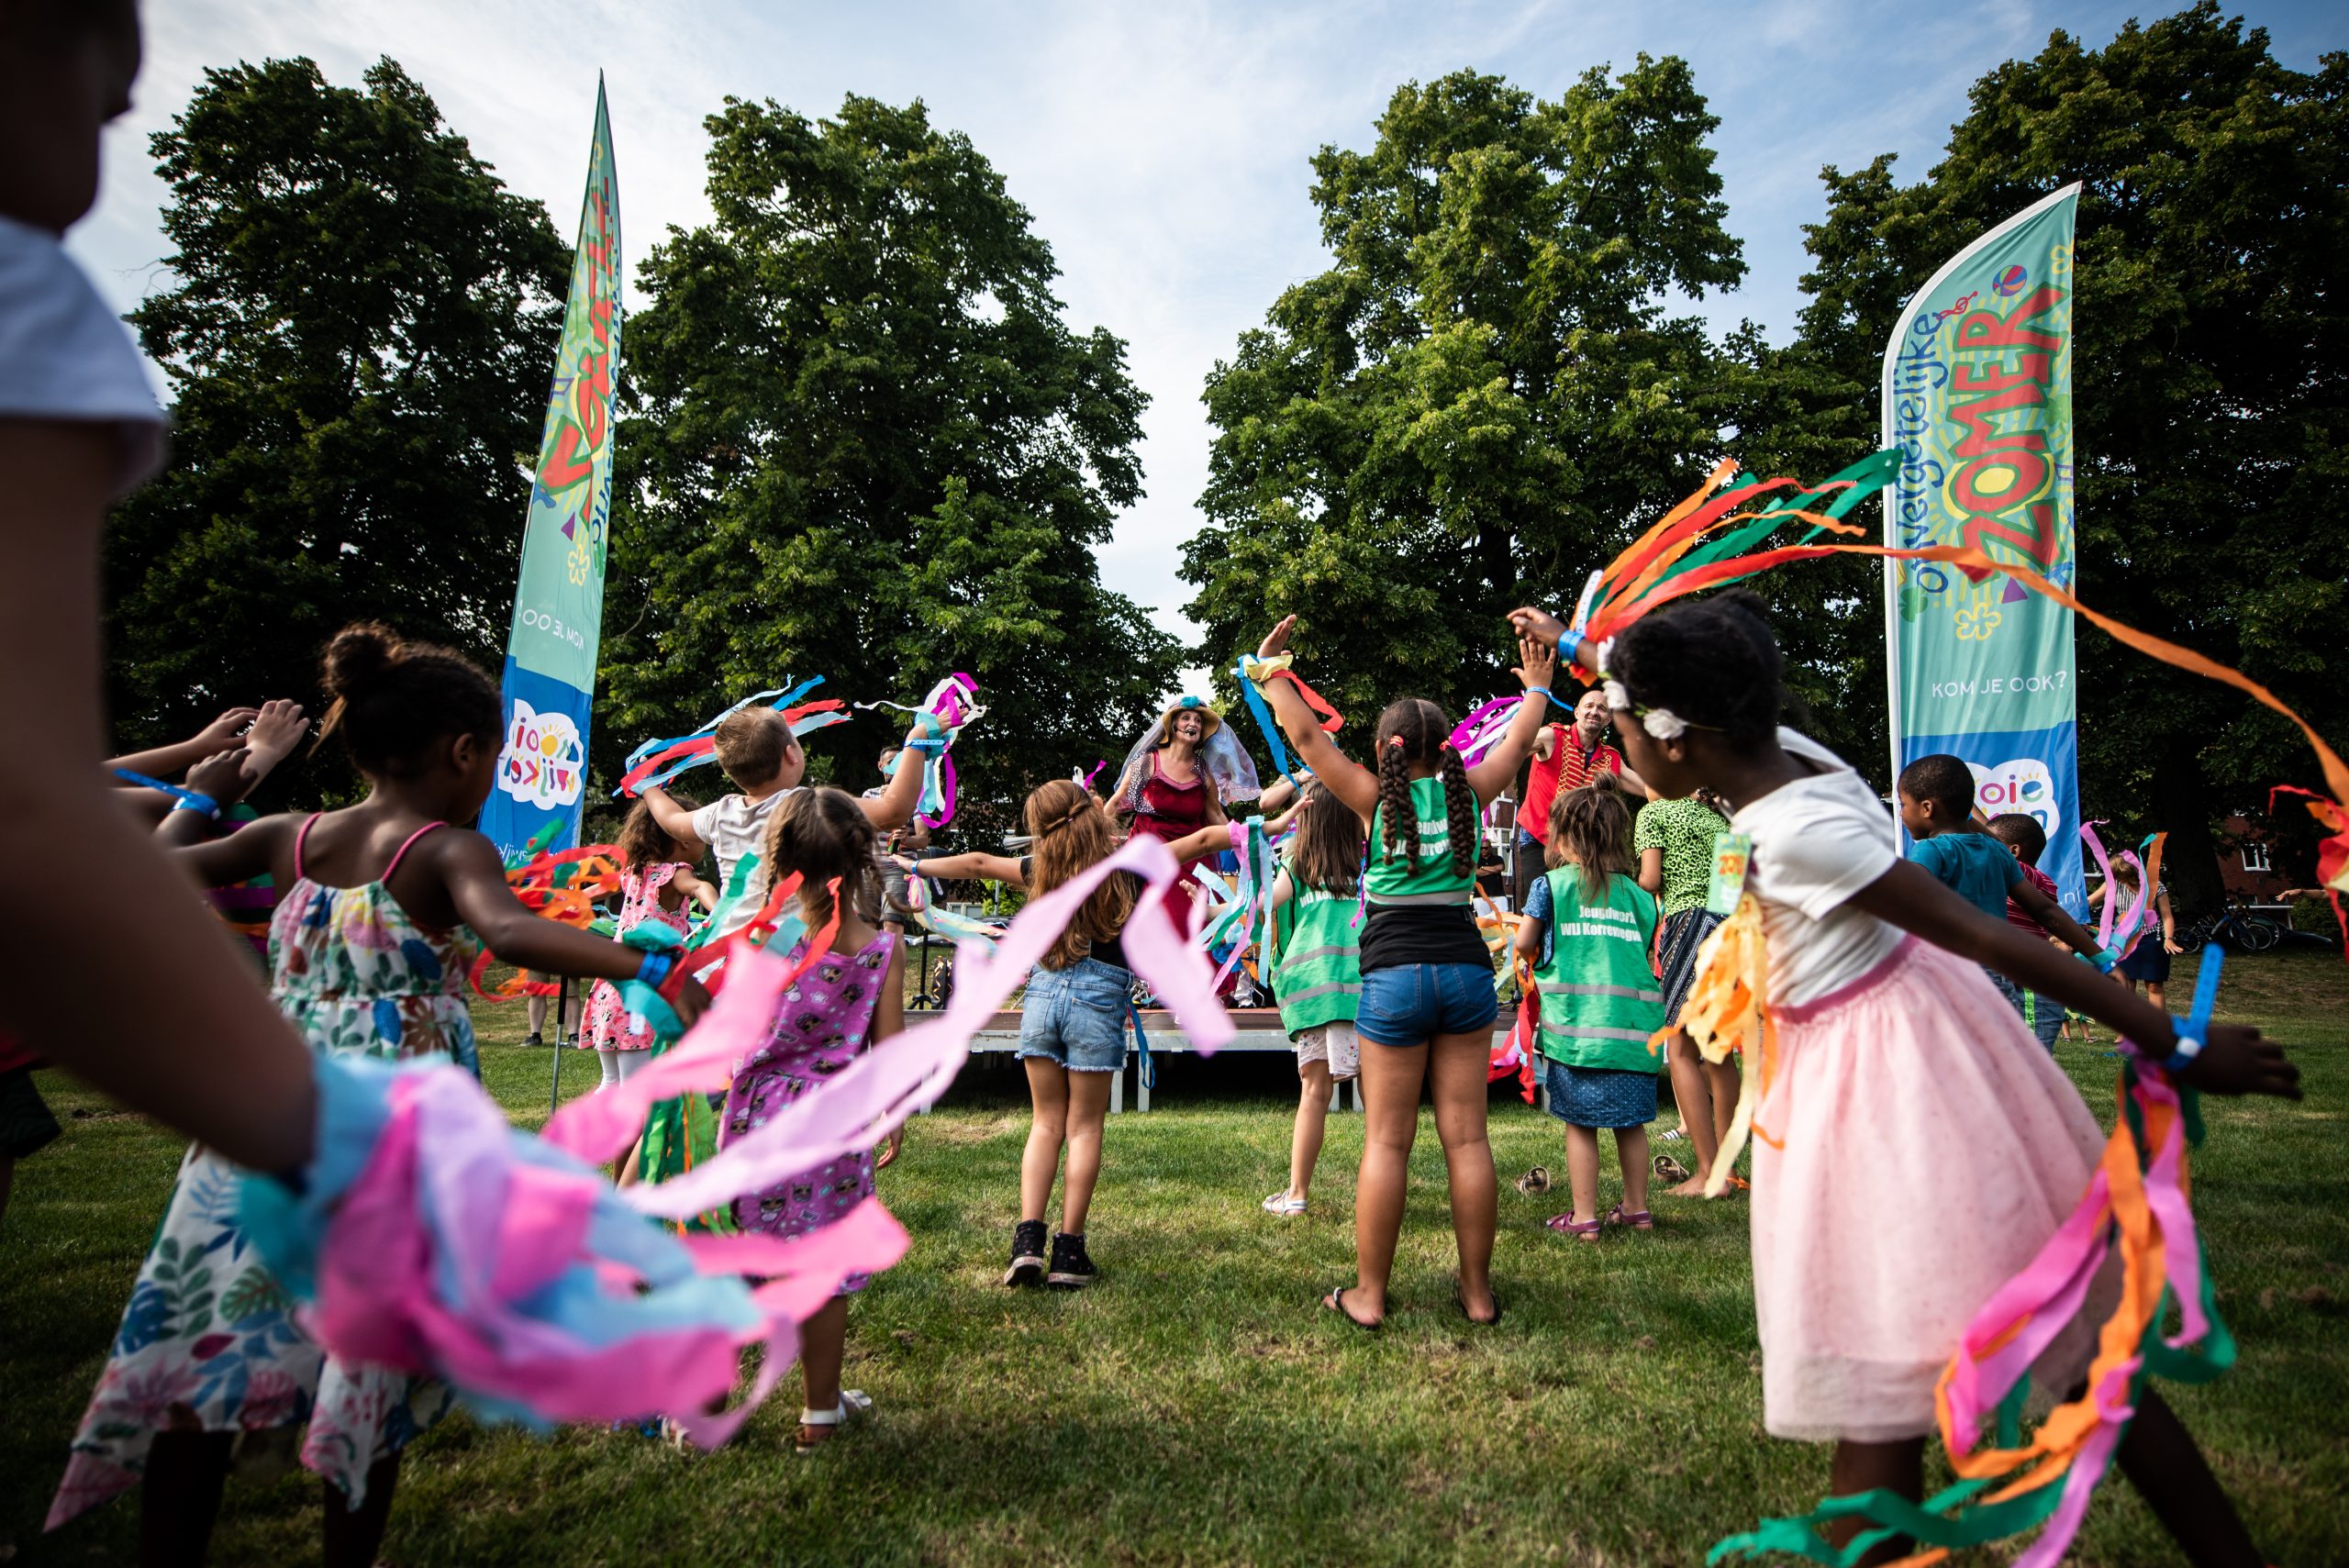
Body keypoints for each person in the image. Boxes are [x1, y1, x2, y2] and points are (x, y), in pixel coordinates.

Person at [1508, 588, 2297, 1568]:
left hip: (1887, 1093)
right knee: (1968, 1382)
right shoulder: (1796, 761)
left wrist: (2171, 1037)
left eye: (1622, 723)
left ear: (1674, 742)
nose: (1618, 738)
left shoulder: (1799, 829)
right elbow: (1675, 708)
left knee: (1909, 1381)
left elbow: (1980, 933)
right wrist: (1576, 647)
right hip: (1912, 1054)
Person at [51, 622, 710, 1565]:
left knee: (208, 1350)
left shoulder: (292, 836)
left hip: (266, 1118)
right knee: (367, 1366)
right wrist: (647, 958)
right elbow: (510, 932)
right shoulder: (445, 850)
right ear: (466, 750)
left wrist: (217, 784)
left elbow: (151, 869)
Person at [0, 0, 333, 1194]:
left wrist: (194, 754)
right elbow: (28, 826)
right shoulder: (17, 296)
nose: (119, 121)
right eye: (109, 85)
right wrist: (346, 1142)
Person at [1243, 617, 1556, 1329]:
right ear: (1445, 748)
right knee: (1468, 1139)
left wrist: (1272, 671)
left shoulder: (1368, 799)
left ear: (1387, 750)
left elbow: (1306, 739)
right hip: (1466, 976)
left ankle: (1370, 1295)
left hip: (1390, 980)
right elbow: (1516, 742)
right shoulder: (1472, 791)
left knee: (1388, 1142)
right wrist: (1537, 687)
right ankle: (1477, 1295)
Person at [907, 784, 1235, 1288]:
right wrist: (1263, 829)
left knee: (1045, 1125)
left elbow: (975, 862)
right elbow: (1200, 842)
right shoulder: (1125, 866)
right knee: (1083, 1128)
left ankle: (1027, 1243)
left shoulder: (1038, 872)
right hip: (1097, 1003)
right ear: (1091, 814)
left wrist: (913, 868)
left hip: (1041, 997)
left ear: (1041, 830)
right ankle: (1069, 1252)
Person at [721, 788, 906, 1451]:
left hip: (756, 1117)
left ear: (780, 859)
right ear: (862, 861)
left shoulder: (761, 940)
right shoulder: (883, 948)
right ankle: (819, 1414)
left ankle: (711, 1406)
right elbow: (886, 1054)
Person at [1515, 777, 1664, 1240]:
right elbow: (1639, 952)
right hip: (1634, 1033)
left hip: (1578, 1034)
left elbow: (1524, 943)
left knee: (1580, 1125)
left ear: (1561, 837)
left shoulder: (1551, 887)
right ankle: (1637, 1209)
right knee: (1631, 1124)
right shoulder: (1642, 897)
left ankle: (1584, 1218)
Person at [638, 704, 928, 940]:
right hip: (793, 958)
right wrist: (917, 737)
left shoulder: (720, 813)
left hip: (731, 956)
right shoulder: (807, 806)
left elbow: (671, 819)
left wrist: (647, 785)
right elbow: (894, 811)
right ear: (791, 754)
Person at [1895, 753, 2105, 1015]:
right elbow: (2046, 911)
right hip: (1999, 974)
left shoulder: (1931, 850)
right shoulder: (1997, 852)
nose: (1901, 813)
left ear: (1927, 808)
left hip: (1952, 977)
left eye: (1903, 804)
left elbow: (1905, 894)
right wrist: (2102, 959)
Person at [1260, 782, 1364, 1217]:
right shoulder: (1365, 864)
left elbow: (1266, 904)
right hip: (1363, 991)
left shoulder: (1299, 862)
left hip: (1312, 993)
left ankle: (1297, 1194)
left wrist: (1210, 911)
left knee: (1314, 1093)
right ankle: (1379, 1194)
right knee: (1379, 1098)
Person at [1634, 783, 1740, 1195]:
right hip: (1730, 930)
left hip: (1688, 925)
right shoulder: (1725, 820)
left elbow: (1650, 879)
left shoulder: (1654, 815)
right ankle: (1727, 1169)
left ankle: (1708, 1172)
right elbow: (1731, 889)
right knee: (1718, 1051)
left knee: (1679, 1049)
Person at [578, 794, 718, 1089]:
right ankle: (603, 1136)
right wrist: (720, 912)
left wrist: (568, 901)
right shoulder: (675, 873)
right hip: (641, 995)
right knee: (635, 1093)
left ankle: (585, 1135)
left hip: (612, 987)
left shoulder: (634, 873)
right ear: (683, 838)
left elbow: (597, 892)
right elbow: (699, 887)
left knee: (612, 1082)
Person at [1110, 696, 1256, 942]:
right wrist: (1093, 835)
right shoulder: (1147, 761)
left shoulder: (1203, 772)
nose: (1194, 723)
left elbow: (1215, 815)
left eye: (1198, 720)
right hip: (1148, 859)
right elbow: (1117, 803)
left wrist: (1246, 843)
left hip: (1191, 861)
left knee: (1190, 926)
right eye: (1186, 718)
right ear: (1174, 726)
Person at [1513, 685, 1644, 907]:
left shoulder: (1611, 758)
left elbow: (1648, 789)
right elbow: (1514, 749)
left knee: (1572, 910)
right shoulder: (1551, 736)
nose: (1594, 711)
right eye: (1589, 706)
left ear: (1608, 720)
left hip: (1580, 849)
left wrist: (1694, 793)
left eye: (1602, 709)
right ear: (1576, 712)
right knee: (1539, 907)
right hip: (1538, 838)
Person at [1984, 813, 2074, 1051]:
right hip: (2014, 980)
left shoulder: (2032, 877)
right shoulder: (2003, 879)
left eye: (1990, 843)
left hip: (2032, 989)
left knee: (2032, 1061)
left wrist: (1961, 805)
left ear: (2012, 852)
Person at [2094, 857, 2182, 1015]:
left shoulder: (2155, 887)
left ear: (2129, 874)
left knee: (2154, 985)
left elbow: (2167, 916)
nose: (2117, 880)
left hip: (2151, 939)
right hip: (2124, 941)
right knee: (2125, 984)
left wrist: (2168, 939)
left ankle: (2158, 1028)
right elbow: (2090, 900)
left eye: (2120, 877)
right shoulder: (2114, 885)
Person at [865, 744, 930, 937]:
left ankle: (892, 967)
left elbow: (923, 840)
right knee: (865, 926)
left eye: (900, 763)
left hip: (897, 868)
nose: (895, 768)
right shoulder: (869, 795)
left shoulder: (916, 801)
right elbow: (861, 831)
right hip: (870, 867)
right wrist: (883, 807)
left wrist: (907, 839)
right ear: (881, 766)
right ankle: (869, 967)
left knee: (892, 926)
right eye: (891, 763)